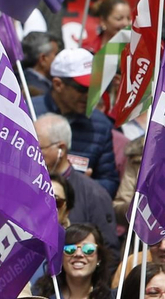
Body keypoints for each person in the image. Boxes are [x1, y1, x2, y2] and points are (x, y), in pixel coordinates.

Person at [30, 48, 119, 194]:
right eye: (83, 88)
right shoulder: (28, 113)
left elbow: (109, 180)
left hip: (79, 211)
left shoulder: (101, 126)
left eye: (94, 88)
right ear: (58, 84)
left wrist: (85, 187)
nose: (89, 96)